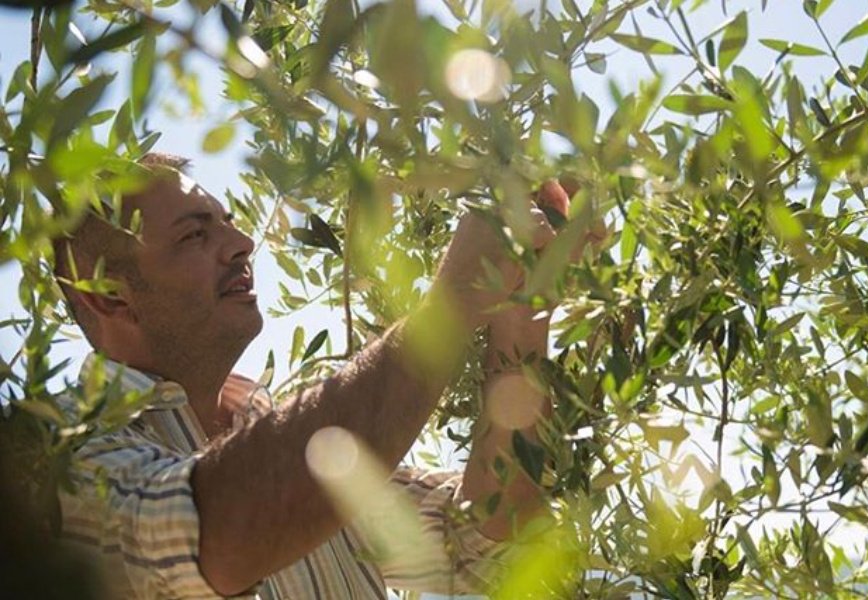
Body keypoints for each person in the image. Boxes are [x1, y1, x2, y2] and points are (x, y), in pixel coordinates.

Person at [52, 152, 578, 599]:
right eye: (193, 235)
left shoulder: (287, 437)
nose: (240, 243)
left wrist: (521, 309)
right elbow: (213, 533)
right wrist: (447, 311)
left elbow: (486, 551)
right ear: (107, 294)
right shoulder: (68, 458)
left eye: (228, 220)